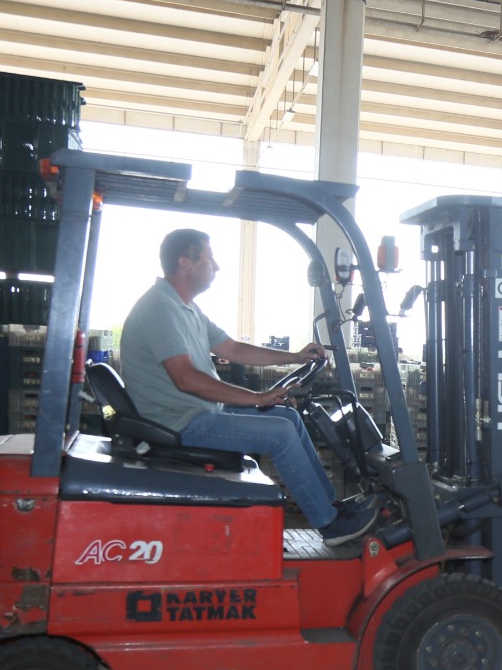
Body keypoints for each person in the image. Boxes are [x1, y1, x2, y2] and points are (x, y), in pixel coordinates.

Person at [119, 228, 383, 547]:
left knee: (288, 418)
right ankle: (330, 525)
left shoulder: (184, 307)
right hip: (177, 423)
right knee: (279, 434)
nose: (216, 267)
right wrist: (257, 398)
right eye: (209, 258)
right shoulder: (160, 309)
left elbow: (234, 350)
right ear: (185, 263)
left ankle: (332, 508)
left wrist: (294, 356)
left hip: (194, 412)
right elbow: (185, 379)